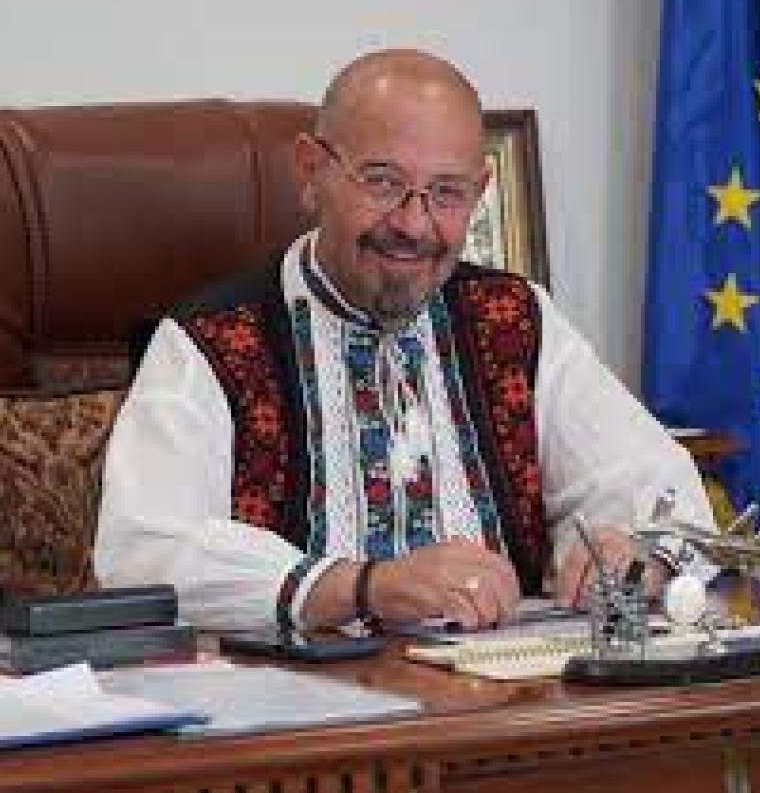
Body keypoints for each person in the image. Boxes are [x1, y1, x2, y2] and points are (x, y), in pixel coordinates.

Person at [94, 49, 714, 633]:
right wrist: (361, 587)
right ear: (311, 172)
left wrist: (637, 552)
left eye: (446, 193)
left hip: (507, 696)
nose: (414, 225)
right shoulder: (210, 340)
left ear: (480, 193)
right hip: (301, 700)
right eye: (383, 182)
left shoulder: (512, 318)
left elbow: (665, 493)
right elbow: (142, 555)